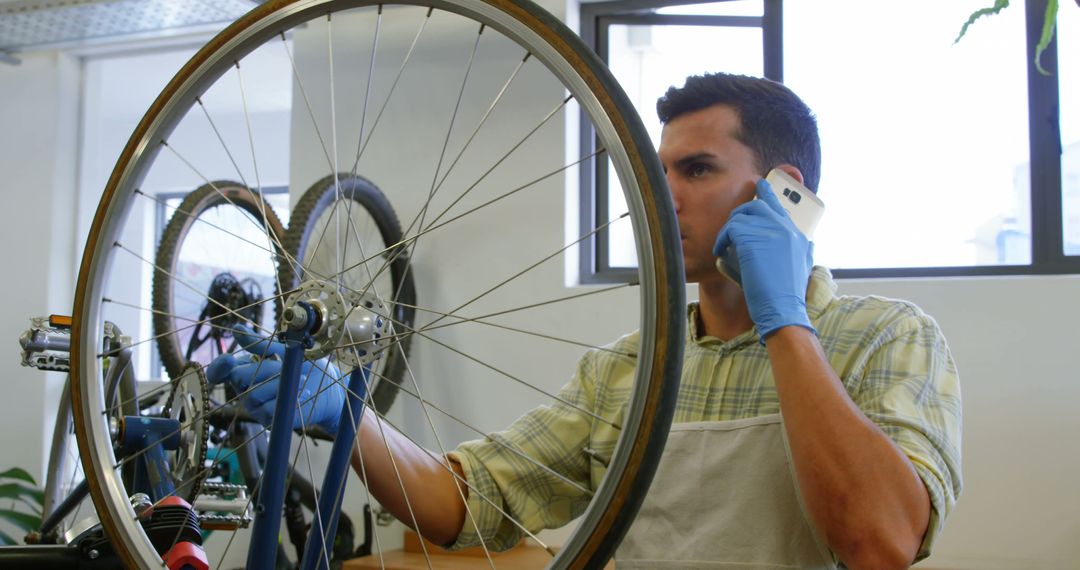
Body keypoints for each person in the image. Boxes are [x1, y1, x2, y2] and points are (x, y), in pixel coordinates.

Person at [209, 73, 962, 568]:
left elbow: (877, 541)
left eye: (694, 170)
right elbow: (465, 507)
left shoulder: (889, 338)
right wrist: (347, 415)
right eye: (652, 173)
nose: (656, 198)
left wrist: (784, 320)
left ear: (783, 192)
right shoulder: (626, 370)